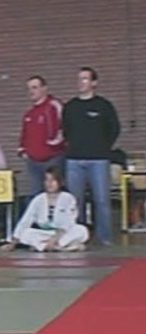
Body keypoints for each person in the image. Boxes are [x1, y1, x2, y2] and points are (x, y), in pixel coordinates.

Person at [61, 67, 120, 245]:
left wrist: (103, 147)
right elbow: (66, 130)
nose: (81, 82)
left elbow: (114, 129)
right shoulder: (70, 107)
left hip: (98, 159)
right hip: (74, 159)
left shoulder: (104, 105)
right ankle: (77, 237)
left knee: (101, 200)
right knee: (74, 202)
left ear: (94, 83)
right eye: (79, 78)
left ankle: (105, 238)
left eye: (85, 79)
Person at [2, 166, 89, 252]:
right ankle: (62, 247)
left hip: (62, 233)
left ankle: (45, 246)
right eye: (47, 180)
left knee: (81, 230)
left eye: (53, 180)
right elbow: (26, 221)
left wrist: (55, 239)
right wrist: (13, 243)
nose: (49, 183)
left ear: (60, 182)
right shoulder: (38, 199)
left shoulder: (68, 198)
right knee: (25, 234)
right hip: (44, 233)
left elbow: (69, 222)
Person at [17, 75, 65, 197]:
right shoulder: (29, 113)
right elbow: (25, 134)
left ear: (44, 88)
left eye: (35, 87)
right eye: (29, 88)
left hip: (52, 159)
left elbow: (63, 127)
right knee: (36, 196)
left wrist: (53, 146)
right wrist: (23, 150)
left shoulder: (54, 105)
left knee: (55, 193)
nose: (31, 91)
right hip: (33, 162)